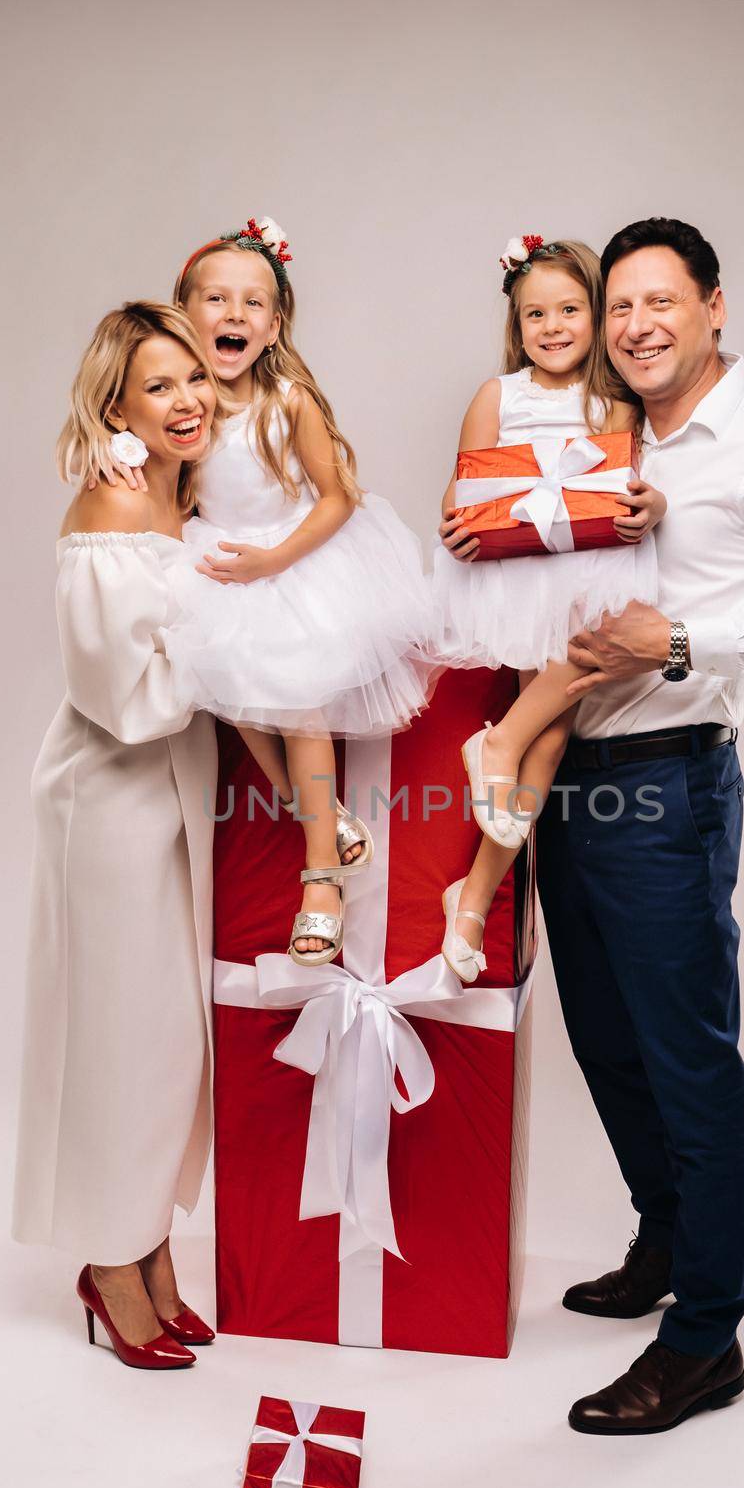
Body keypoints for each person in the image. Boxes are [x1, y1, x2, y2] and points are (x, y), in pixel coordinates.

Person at [534, 218, 744, 1433]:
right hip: (570, 775)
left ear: (714, 306)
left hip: (669, 781)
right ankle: (663, 1238)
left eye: (658, 302)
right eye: (616, 305)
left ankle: (703, 1338)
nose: (631, 326)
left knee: (685, 1059)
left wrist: (675, 642)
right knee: (603, 1040)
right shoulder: (611, 432)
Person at [12, 301, 226, 1369]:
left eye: (193, 376)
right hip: (110, 796)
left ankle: (148, 1246)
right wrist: (239, 642)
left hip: (176, 795)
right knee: (122, 1037)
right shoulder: (110, 501)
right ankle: (109, 1264)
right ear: (115, 403)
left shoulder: (184, 493)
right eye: (158, 385)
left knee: (172, 1041)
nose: (185, 399)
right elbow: (124, 702)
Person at [163, 216, 437, 966]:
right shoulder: (180, 410)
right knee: (233, 685)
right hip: (221, 564)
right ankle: (319, 812)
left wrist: (274, 560)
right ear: (183, 313)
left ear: (275, 324)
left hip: (296, 560)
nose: (233, 316)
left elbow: (337, 497)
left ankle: (321, 878)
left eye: (253, 304)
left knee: (294, 695)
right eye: (215, 300)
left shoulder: (286, 402)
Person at [432, 236, 666, 983]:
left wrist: (648, 508)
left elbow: (644, 482)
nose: (553, 326)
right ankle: (494, 767)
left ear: (595, 316)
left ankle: (470, 897)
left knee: (554, 735)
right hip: (527, 574)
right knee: (556, 722)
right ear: (515, 322)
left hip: (594, 565)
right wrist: (457, 527)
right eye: (535, 314)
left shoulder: (619, 399)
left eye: (568, 309)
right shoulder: (499, 394)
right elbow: (464, 489)